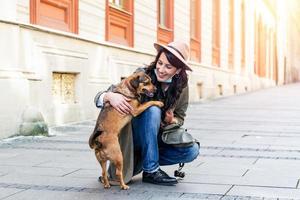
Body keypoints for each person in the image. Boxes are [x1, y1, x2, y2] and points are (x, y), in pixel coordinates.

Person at [94, 41, 200, 186]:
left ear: (178, 70)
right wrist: (109, 96)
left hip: (158, 138)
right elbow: (101, 96)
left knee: (192, 151)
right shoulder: (142, 74)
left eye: (168, 66)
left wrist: (172, 120)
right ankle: (151, 170)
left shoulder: (182, 87)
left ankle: (142, 161)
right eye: (160, 63)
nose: (161, 69)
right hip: (135, 136)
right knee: (153, 109)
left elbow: (180, 118)